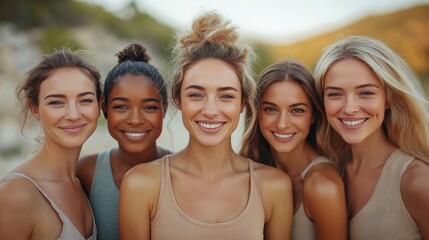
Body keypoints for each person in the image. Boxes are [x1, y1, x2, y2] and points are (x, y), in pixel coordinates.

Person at [119, 11, 293, 240]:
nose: (211, 111)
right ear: (178, 99)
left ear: (242, 103)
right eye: (196, 95)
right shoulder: (141, 184)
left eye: (226, 96)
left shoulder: (274, 187)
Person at [314, 35, 429, 239]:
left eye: (366, 93)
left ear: (388, 99)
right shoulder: (330, 169)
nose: (349, 108)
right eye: (334, 94)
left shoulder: (418, 181)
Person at [0, 49, 101, 239]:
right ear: (35, 109)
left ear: (99, 105)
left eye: (85, 100)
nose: (73, 114)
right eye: (56, 102)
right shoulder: (15, 196)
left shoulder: (84, 185)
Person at [240, 60, 347, 240]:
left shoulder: (322, 186)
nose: (282, 124)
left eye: (297, 110)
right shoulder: (250, 167)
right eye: (270, 109)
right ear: (257, 112)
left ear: (313, 115)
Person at [77, 43, 171, 240]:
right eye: (121, 107)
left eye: (150, 108)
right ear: (104, 109)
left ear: (165, 109)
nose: (135, 119)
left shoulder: (181, 171)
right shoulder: (86, 172)